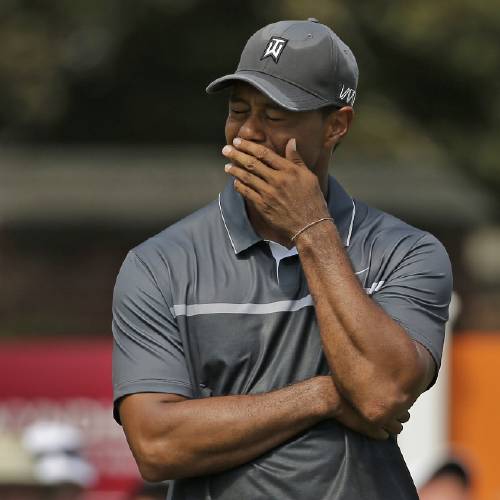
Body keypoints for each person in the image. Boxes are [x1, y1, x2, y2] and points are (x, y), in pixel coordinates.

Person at [112, 18, 452, 499]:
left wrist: (311, 228)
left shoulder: (408, 251)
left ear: (336, 125)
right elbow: (156, 445)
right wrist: (326, 394)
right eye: (237, 110)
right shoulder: (159, 263)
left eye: (275, 115)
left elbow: (379, 396)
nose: (248, 132)